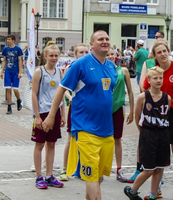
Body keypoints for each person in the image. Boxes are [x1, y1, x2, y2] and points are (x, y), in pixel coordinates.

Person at [42, 30, 117, 200]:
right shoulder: (81, 64)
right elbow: (62, 88)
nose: (105, 41)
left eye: (107, 38)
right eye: (100, 39)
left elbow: (107, 94)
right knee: (90, 177)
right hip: (85, 128)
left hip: (106, 129)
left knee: (97, 177)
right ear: (92, 44)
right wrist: (52, 115)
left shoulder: (112, 66)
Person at [140, 39, 173, 200]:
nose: (163, 54)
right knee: (158, 153)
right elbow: (144, 87)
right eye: (159, 52)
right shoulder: (153, 70)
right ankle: (156, 188)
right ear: (154, 55)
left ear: (169, 52)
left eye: (165, 51)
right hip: (157, 115)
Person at [124, 67, 171, 200]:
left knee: (159, 168)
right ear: (149, 80)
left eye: (160, 78)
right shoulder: (143, 97)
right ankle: (132, 190)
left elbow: (167, 116)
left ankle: (153, 194)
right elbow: (138, 118)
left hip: (163, 134)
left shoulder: (167, 98)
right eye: (155, 78)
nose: (158, 80)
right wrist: (143, 132)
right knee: (149, 169)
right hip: (148, 134)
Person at [31, 41, 65, 189]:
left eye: (56, 55)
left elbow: (61, 94)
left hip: (55, 112)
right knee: (39, 144)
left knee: (51, 144)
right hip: (43, 112)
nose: (54, 58)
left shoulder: (59, 72)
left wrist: (63, 114)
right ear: (45, 56)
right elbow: (34, 94)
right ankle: (39, 176)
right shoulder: (39, 71)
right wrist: (37, 116)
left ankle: (49, 175)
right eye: (51, 55)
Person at [58, 43, 89, 181]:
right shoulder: (72, 68)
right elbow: (63, 88)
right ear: (75, 54)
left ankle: (83, 168)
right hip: (75, 108)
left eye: (86, 52)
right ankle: (64, 169)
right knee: (71, 140)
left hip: (88, 110)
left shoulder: (91, 68)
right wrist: (70, 97)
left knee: (87, 141)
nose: (83, 54)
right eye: (81, 52)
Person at [106, 47, 134, 182]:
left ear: (116, 56)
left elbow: (130, 90)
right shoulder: (102, 70)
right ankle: (102, 170)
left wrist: (132, 110)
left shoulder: (123, 71)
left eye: (112, 54)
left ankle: (119, 169)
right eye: (108, 54)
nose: (110, 56)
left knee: (117, 139)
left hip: (118, 108)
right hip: (103, 110)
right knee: (103, 139)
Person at [0, 35, 23, 114]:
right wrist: (2, 71)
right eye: (7, 39)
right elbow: (4, 60)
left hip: (15, 71)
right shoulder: (5, 49)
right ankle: (9, 107)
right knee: (8, 89)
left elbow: (20, 61)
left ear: (13, 40)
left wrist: (20, 72)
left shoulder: (18, 49)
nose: (8, 41)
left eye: (9, 39)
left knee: (15, 90)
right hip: (8, 71)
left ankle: (19, 100)